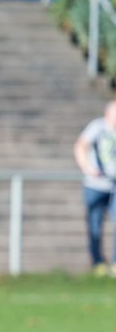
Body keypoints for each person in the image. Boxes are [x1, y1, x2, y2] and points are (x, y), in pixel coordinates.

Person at [72, 100, 116, 276]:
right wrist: (88, 168)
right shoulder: (97, 127)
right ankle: (98, 262)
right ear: (108, 114)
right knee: (95, 226)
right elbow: (81, 146)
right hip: (95, 186)